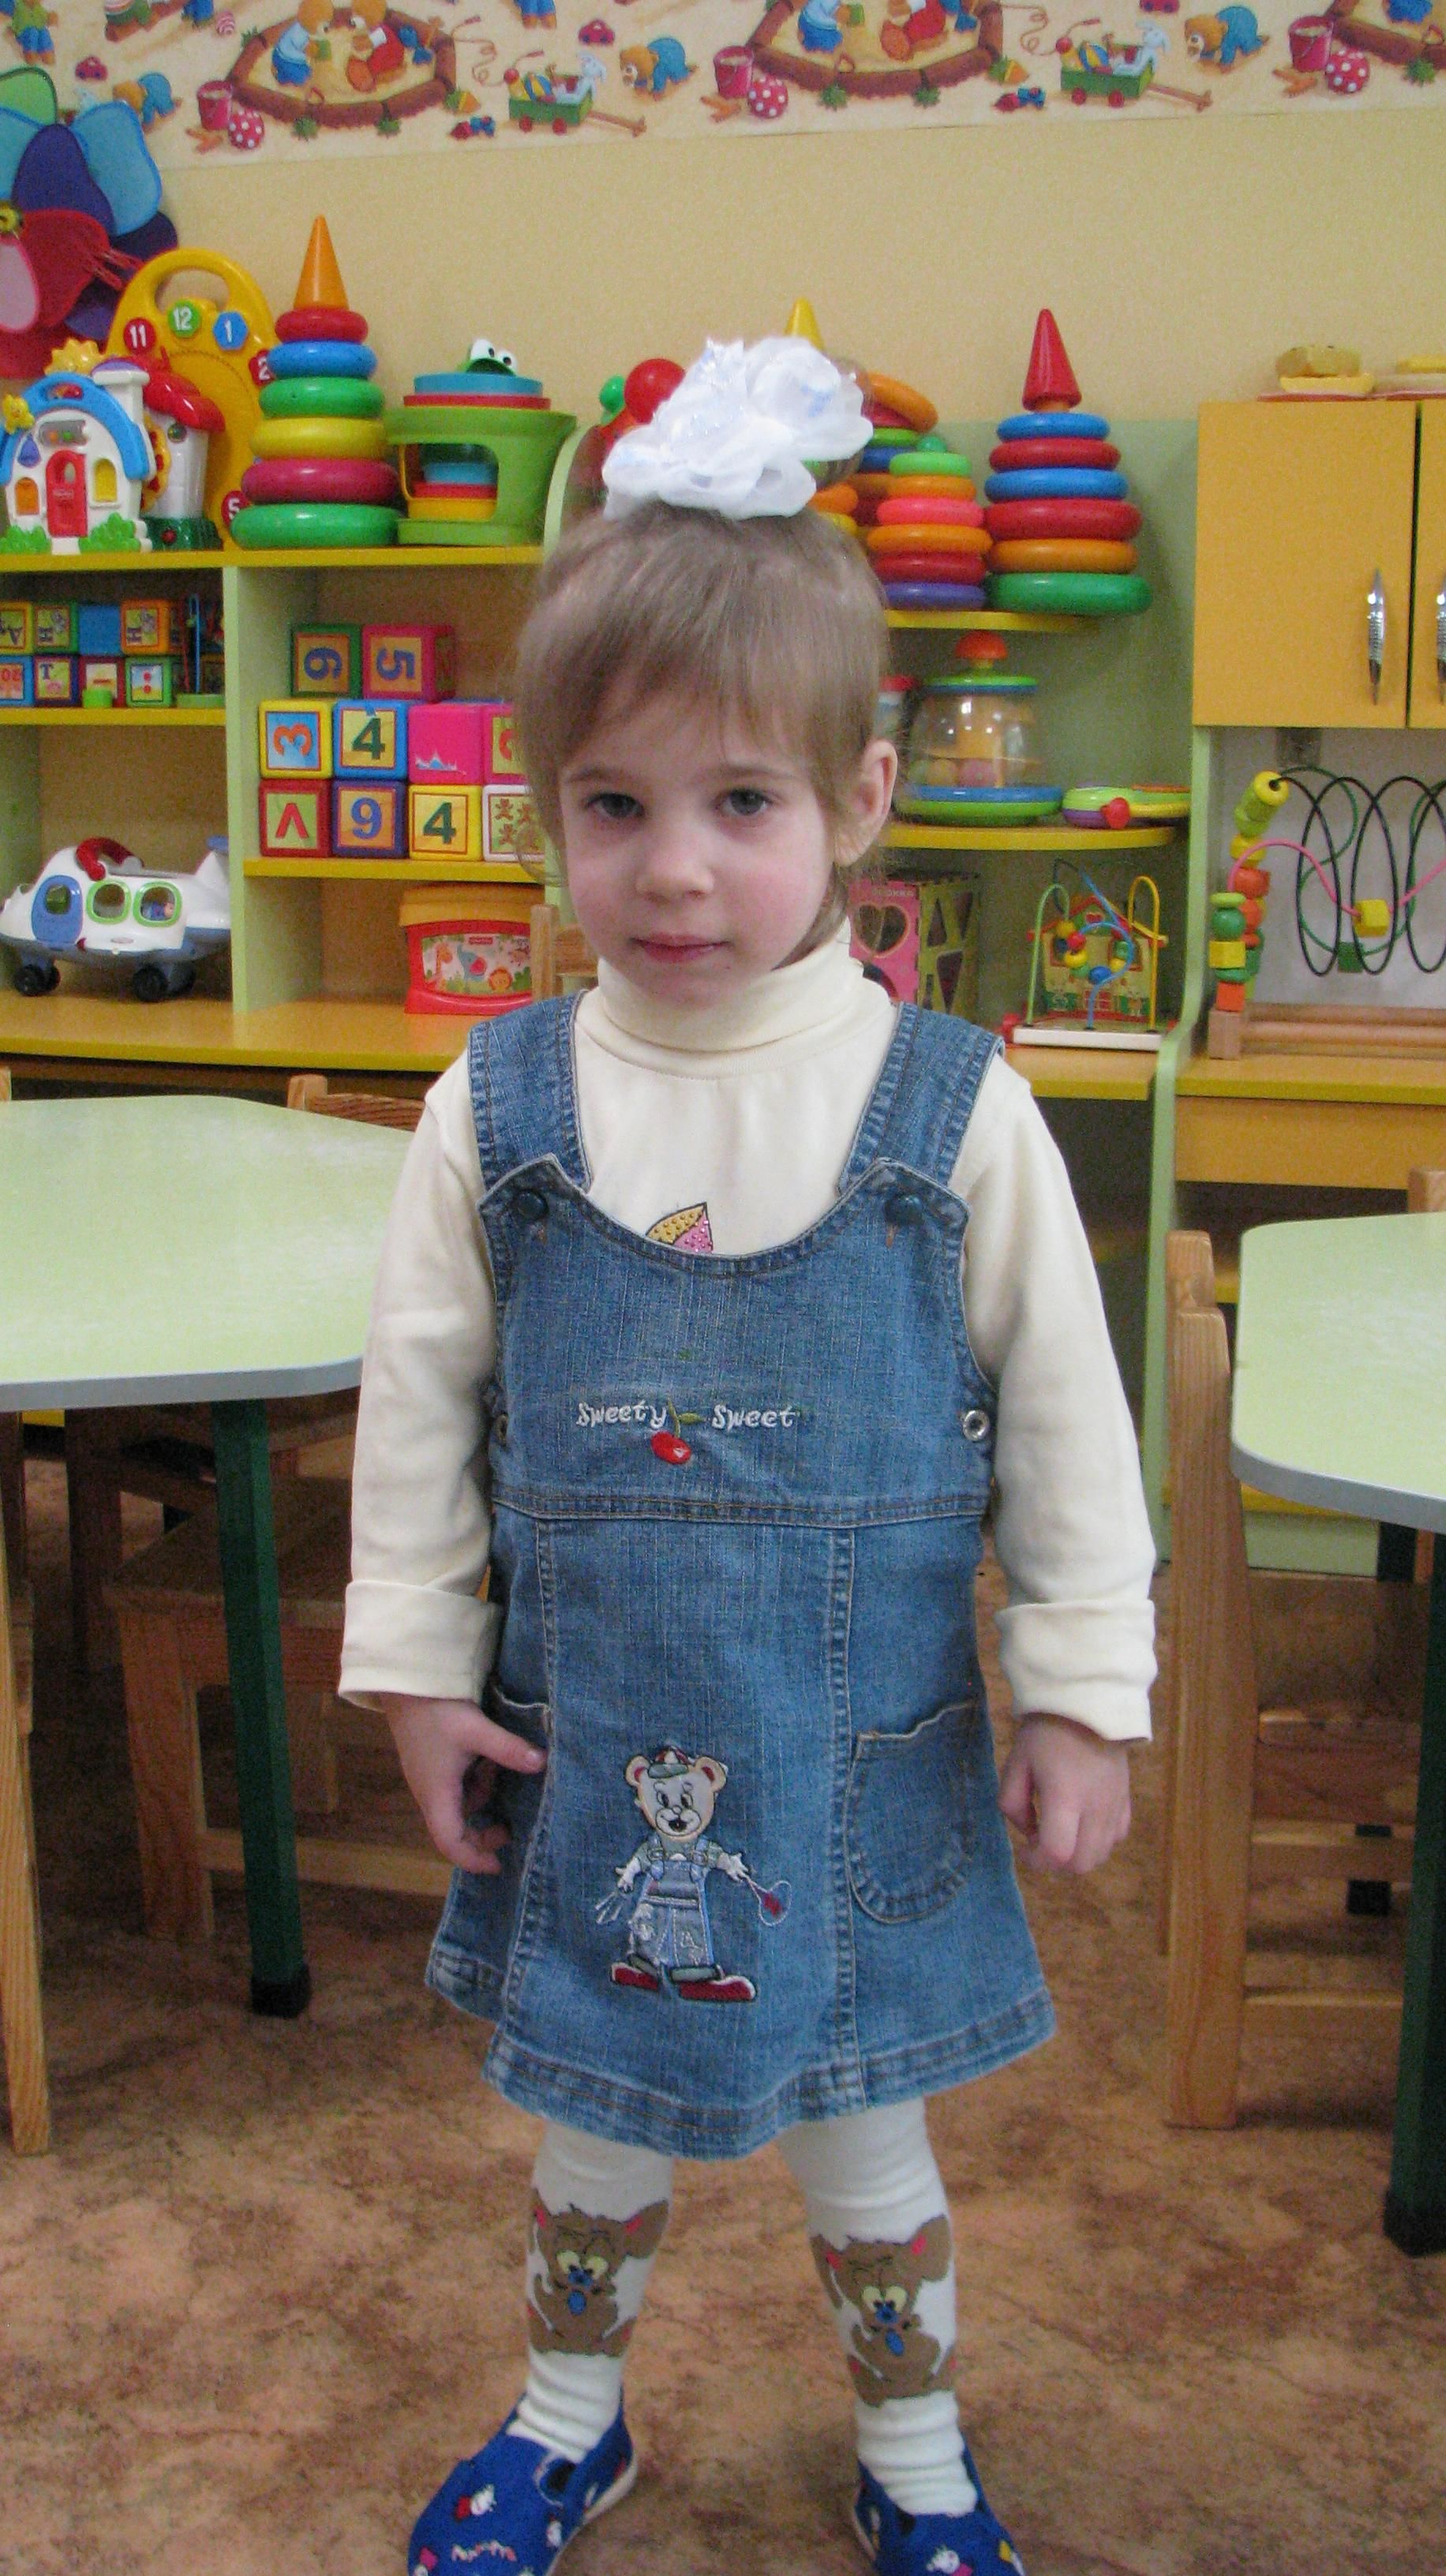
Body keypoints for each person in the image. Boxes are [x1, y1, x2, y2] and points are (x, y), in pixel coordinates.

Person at [339, 336, 1156, 2576]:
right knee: (591, 2127)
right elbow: (416, 1410)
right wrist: (416, 1671)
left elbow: (1072, 1422)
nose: (676, 871)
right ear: (549, 811)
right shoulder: (494, 1101)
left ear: (860, 800)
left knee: (867, 2140)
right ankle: (565, 2419)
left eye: (741, 805)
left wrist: (1084, 1688)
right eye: (614, 807)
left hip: (866, 1763)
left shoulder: (953, 1108)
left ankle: (919, 2458)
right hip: (590, 1746)